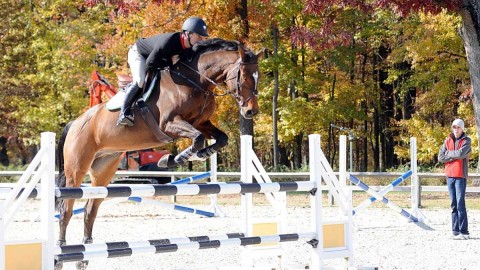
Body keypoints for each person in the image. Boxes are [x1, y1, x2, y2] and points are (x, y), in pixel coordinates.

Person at [117, 16, 209, 126]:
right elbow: (150, 63)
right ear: (188, 33)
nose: (201, 39)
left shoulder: (188, 48)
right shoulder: (169, 41)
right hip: (139, 54)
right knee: (140, 80)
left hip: (154, 57)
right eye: (199, 35)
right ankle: (124, 113)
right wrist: (169, 62)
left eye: (202, 36)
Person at [438, 118, 471, 240]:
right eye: (454, 127)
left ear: (462, 128)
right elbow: (440, 157)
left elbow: (461, 154)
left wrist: (449, 154)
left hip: (460, 176)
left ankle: (464, 232)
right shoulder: (447, 140)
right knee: (453, 205)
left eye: (458, 127)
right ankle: (455, 231)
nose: (456, 129)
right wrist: (454, 155)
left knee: (460, 204)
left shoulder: (467, 140)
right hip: (449, 176)